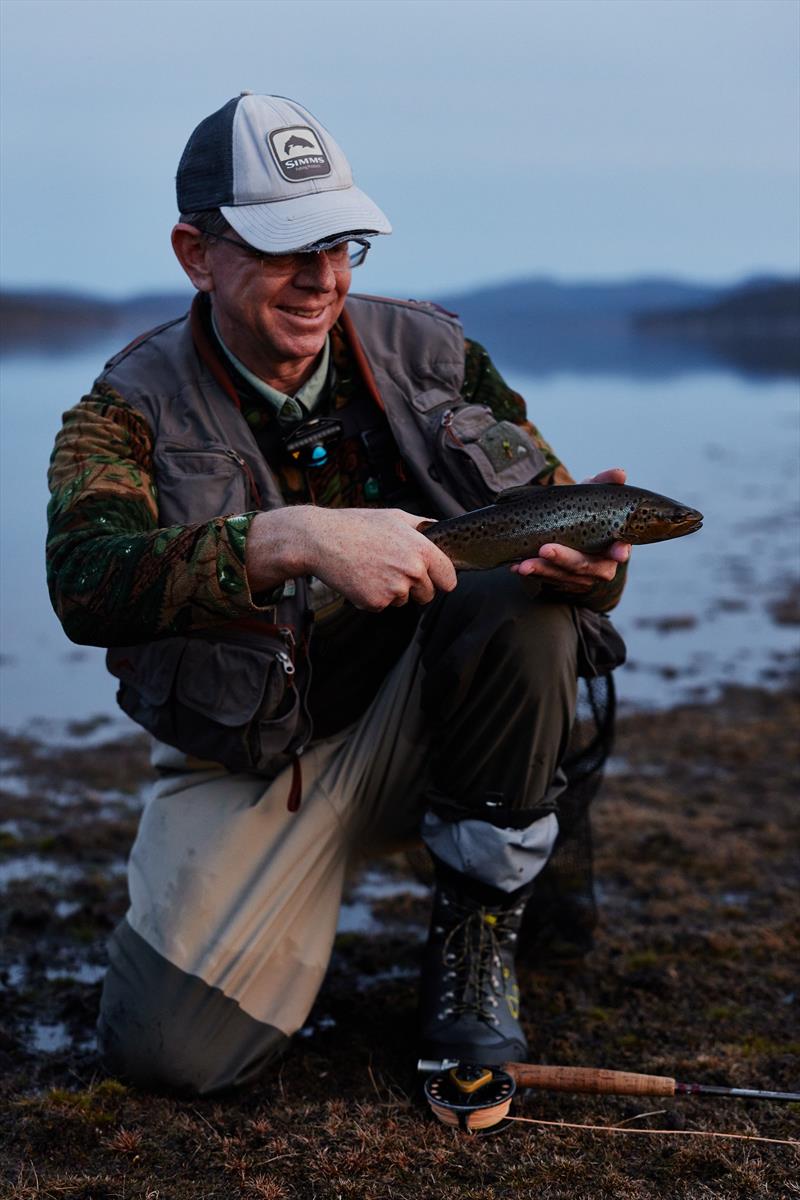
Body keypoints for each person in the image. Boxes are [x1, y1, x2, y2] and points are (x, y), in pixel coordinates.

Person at [46, 93, 630, 1096]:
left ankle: (480, 928)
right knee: (171, 1058)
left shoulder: (439, 355)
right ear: (196, 252)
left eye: (342, 242)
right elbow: (85, 584)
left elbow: (554, 516)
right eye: (284, 248)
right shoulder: (121, 410)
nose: (321, 279)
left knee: (518, 605)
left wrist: (597, 569)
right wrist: (289, 539)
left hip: (436, 715)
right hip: (252, 750)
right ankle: (423, 849)